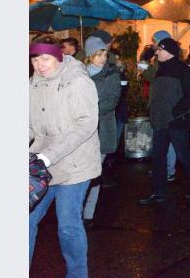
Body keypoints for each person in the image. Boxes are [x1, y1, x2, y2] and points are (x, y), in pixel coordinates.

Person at [29, 37, 101, 277]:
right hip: (42, 163)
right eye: (35, 59)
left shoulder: (78, 81)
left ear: (58, 57)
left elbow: (86, 125)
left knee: (68, 225)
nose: (40, 64)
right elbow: (29, 124)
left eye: (45, 58)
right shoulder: (34, 83)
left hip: (75, 163)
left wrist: (49, 156)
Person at [138, 38, 190, 205]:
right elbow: (144, 71)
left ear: (168, 51)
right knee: (158, 157)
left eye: (159, 50)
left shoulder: (183, 70)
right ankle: (158, 192)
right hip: (160, 120)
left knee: (183, 155)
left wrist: (176, 112)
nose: (157, 52)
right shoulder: (158, 68)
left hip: (176, 121)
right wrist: (144, 57)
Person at [81, 37, 121, 228]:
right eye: (99, 54)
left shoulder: (111, 74)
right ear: (90, 55)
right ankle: (77, 211)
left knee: (94, 171)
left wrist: (88, 109)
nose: (103, 57)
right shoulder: (78, 74)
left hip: (102, 128)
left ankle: (88, 213)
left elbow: (112, 100)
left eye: (105, 53)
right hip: (80, 131)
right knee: (80, 173)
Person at [140, 30, 178, 182]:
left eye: (156, 41)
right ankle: (161, 169)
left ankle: (169, 170)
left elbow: (151, 76)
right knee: (163, 140)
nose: (154, 44)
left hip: (165, 106)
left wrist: (143, 62)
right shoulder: (159, 59)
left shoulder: (164, 61)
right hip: (159, 104)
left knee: (168, 141)